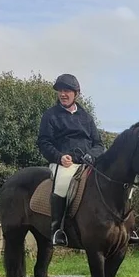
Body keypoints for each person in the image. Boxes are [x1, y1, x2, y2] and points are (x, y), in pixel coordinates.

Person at [38, 74, 104, 246]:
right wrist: (59, 157)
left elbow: (99, 144)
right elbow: (44, 142)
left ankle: (125, 226)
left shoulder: (86, 118)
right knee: (62, 183)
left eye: (67, 90)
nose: (63, 94)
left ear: (76, 93)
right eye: (60, 91)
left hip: (87, 162)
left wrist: (91, 155)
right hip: (64, 163)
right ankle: (57, 230)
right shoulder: (50, 115)